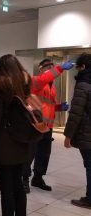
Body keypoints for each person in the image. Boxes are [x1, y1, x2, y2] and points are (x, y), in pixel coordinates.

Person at [0, 54, 33, 216]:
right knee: (18, 186)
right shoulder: (25, 85)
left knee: (6, 191)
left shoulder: (0, 88)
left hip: (3, 147)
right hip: (23, 144)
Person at [22, 58, 73, 193]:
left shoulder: (52, 87)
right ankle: (24, 179)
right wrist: (60, 68)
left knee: (44, 154)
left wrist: (58, 107)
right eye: (48, 67)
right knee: (30, 153)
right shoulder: (35, 81)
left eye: (52, 67)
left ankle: (37, 178)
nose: (50, 69)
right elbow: (47, 77)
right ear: (41, 69)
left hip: (47, 127)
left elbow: (47, 105)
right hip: (35, 125)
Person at [63, 53, 91, 209]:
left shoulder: (83, 85)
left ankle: (90, 199)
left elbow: (76, 114)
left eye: (78, 68)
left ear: (83, 67)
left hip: (87, 134)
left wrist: (68, 136)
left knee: (90, 166)